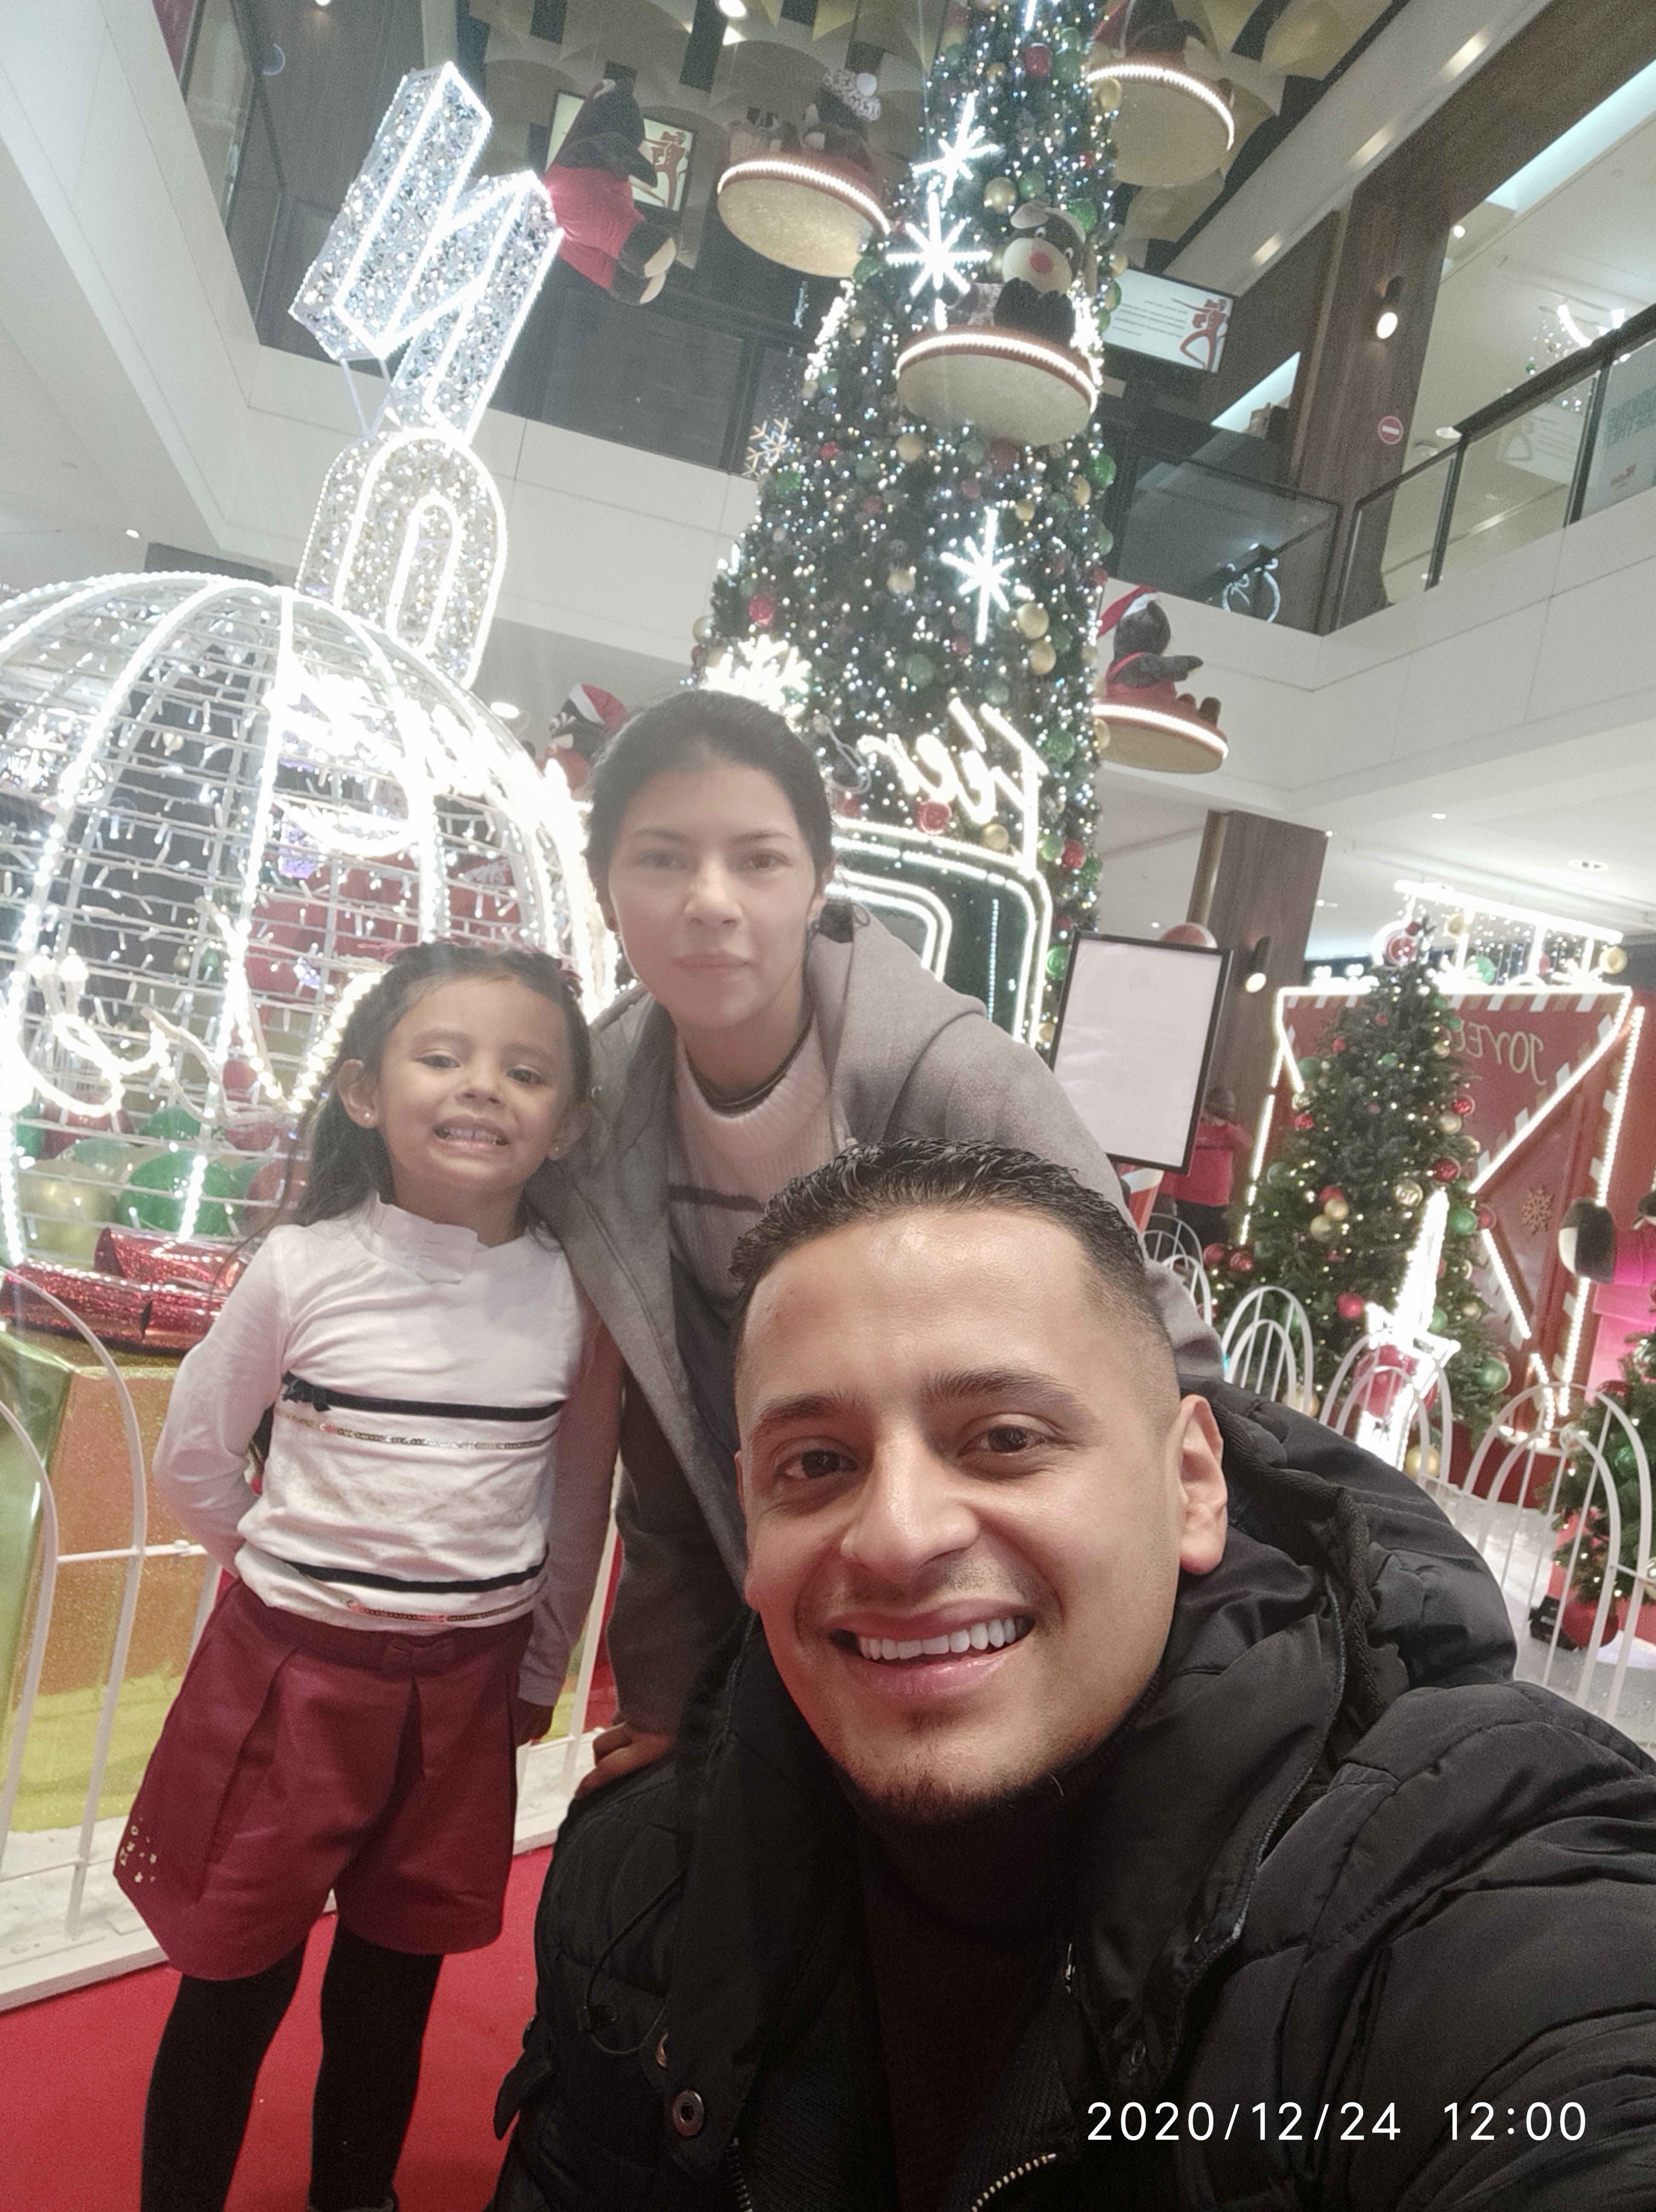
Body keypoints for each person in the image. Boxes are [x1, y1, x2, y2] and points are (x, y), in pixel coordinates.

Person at [492, 1141, 1656, 2212]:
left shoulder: (1443, 1889)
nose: (896, 1536)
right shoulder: (646, 1886)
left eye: (1005, 1438)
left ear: (1191, 1483)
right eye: (819, 1461)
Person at [540, 690, 1222, 1792]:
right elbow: (664, 1441)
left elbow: (1151, 1347)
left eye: (758, 860)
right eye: (661, 860)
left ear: (817, 881)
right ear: (605, 886)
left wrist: (1166, 1660)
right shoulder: (602, 1111)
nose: (710, 902)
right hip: (801, 1599)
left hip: (999, 1598)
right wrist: (663, 1691)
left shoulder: (957, 1082)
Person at [117, 942, 619, 2212]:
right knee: (234, 1980)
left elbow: (574, 1502)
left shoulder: (571, 1300)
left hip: (465, 1693)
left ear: (569, 1122)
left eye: (526, 1071)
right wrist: (287, 1586)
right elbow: (193, 1458)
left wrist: (541, 1664)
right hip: (290, 1680)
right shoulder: (302, 1267)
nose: (482, 1086)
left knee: (394, 1984)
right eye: (442, 1056)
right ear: (360, 1091)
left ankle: (356, 2196)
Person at [1159, 1080, 1251, 1253]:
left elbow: (1246, 1145)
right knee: (1181, 1250)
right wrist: (1168, 1194)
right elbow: (1174, 1162)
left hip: (1219, 1203)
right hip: (1189, 1202)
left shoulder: (1229, 1132)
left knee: (1216, 1254)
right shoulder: (1190, 1129)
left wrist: (1224, 1126)